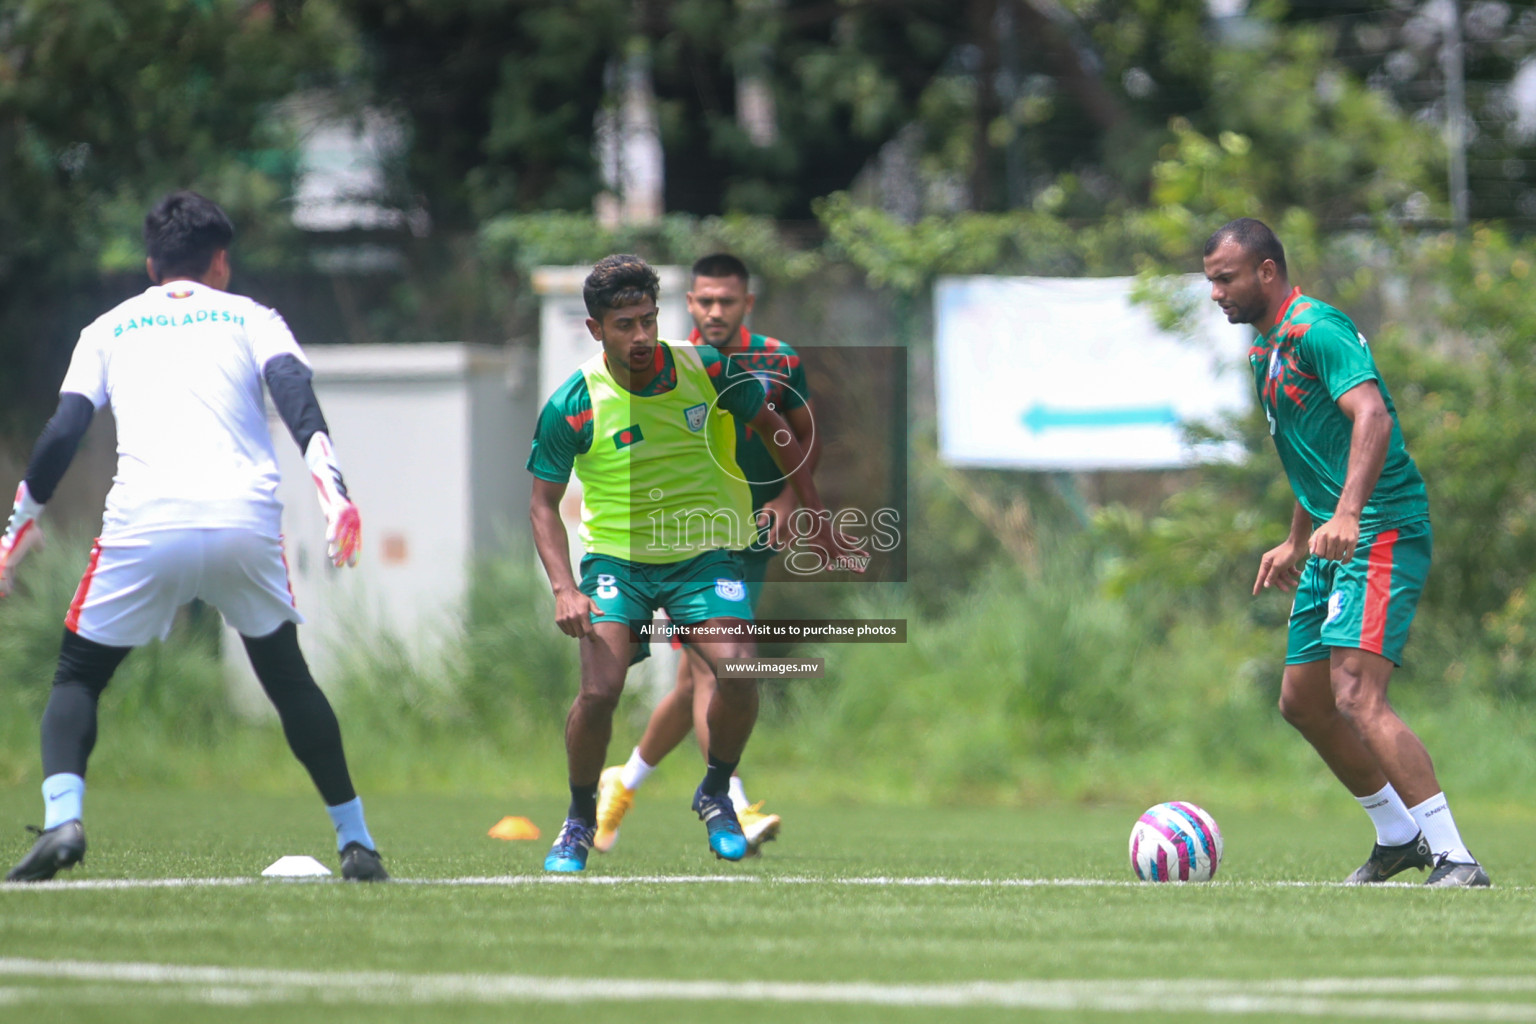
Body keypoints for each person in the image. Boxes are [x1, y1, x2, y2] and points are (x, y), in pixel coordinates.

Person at [0, 191, 386, 883]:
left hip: (145, 524)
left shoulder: (108, 328)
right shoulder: (253, 318)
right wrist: (335, 491)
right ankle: (356, 840)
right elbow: (296, 397)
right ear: (220, 263)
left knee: (78, 676)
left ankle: (63, 820)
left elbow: (64, 431)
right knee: (286, 676)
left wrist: (21, 520)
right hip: (244, 521)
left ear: (151, 264)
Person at [527, 254, 862, 873]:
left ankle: (715, 791)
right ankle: (578, 819)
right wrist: (563, 588)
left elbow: (773, 426)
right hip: (616, 564)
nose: (641, 337)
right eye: (624, 324)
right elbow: (542, 506)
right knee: (599, 692)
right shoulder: (573, 402)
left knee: (737, 669)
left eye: (649, 321)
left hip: (706, 556)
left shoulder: (705, 367)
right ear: (596, 329)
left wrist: (809, 506)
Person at [1204, 217, 1487, 887]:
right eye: (1211, 281)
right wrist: (1299, 536)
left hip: (1381, 525)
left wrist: (1350, 514)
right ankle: (1398, 838)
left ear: (1265, 273)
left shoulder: (1317, 330)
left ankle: (1456, 858)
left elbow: (1372, 415)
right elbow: (1315, 451)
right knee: (1303, 701)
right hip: (1333, 536)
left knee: (1357, 694)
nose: (1215, 293)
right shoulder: (1263, 353)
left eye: (1225, 278)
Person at [592, 253, 817, 857]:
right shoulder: (665, 362)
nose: (715, 310)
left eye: (728, 301)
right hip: (690, 539)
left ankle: (624, 781)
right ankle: (732, 802)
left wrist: (793, 499)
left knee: (703, 673)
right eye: (705, 301)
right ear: (688, 305)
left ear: (747, 303)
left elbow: (800, 434)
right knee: (718, 669)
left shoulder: (779, 361)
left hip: (754, 529)